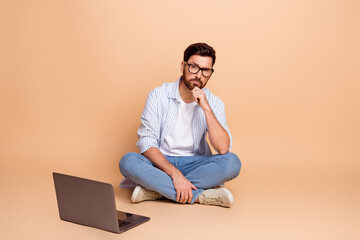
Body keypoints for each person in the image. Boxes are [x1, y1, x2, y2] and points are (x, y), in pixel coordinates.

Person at [119, 43, 241, 207]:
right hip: (161, 163)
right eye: (193, 67)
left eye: (205, 70)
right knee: (128, 161)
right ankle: (199, 196)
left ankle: (157, 190)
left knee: (232, 162)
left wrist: (206, 109)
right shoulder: (158, 95)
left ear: (210, 74)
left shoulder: (214, 102)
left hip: (197, 163)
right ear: (183, 66)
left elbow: (223, 148)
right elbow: (147, 143)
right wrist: (175, 174)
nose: (198, 75)